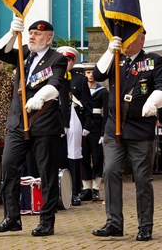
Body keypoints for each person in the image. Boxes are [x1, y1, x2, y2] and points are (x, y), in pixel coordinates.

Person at [0, 18, 67, 237]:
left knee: (47, 175)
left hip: (43, 123)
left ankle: (46, 222)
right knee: (9, 167)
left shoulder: (57, 59)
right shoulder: (23, 51)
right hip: (17, 122)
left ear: (48, 38)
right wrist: (13, 32)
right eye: (30, 32)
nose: (32, 36)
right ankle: (12, 218)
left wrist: (40, 98)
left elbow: (55, 84)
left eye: (37, 34)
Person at [91, 32, 162, 242]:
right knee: (110, 171)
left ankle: (145, 226)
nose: (125, 42)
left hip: (140, 130)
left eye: (130, 38)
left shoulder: (153, 61)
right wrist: (109, 51)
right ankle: (114, 223)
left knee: (142, 178)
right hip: (114, 127)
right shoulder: (117, 59)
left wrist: (153, 101)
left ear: (141, 40)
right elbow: (97, 75)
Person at [58, 46, 92, 207]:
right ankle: (59, 190)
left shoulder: (79, 79)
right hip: (56, 119)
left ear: (73, 61)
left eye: (69, 60)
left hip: (74, 120)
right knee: (58, 156)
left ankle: (75, 191)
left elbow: (87, 105)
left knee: (74, 156)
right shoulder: (53, 77)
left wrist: (87, 124)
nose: (66, 63)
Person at [81, 62, 107, 201]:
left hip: (96, 126)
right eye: (87, 73)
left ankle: (96, 187)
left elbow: (106, 113)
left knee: (97, 157)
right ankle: (86, 188)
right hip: (84, 126)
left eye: (92, 72)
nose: (90, 75)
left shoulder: (102, 91)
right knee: (84, 157)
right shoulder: (81, 90)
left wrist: (103, 133)